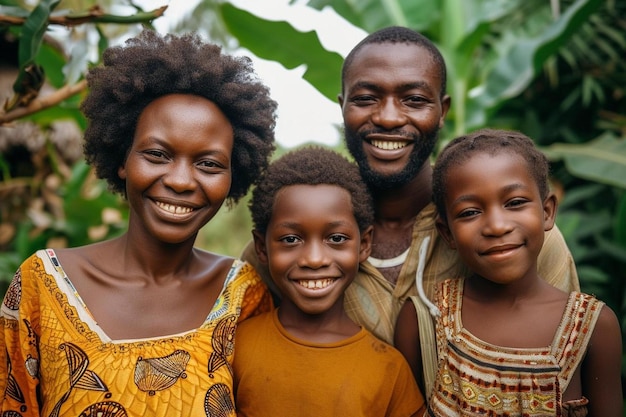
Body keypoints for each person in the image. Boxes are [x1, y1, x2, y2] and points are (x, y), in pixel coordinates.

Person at [242, 25, 580, 396]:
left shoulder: (519, 239)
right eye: (366, 98)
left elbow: (568, 371)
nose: (388, 117)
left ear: (442, 110)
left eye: (414, 99)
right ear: (342, 106)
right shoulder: (288, 242)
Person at [0, 30, 277, 417]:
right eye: (157, 154)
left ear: (234, 176)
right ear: (122, 159)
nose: (181, 180)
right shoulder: (44, 286)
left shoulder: (245, 297)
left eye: (209, 164)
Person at [397, 128, 622, 416]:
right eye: (469, 212)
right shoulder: (425, 321)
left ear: (547, 212)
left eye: (514, 203)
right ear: (447, 233)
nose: (497, 226)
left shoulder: (594, 326)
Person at [233, 146, 426, 417]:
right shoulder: (234, 347)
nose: (314, 259)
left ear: (364, 244)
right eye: (291, 239)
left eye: (336, 239)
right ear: (261, 248)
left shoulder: (389, 368)